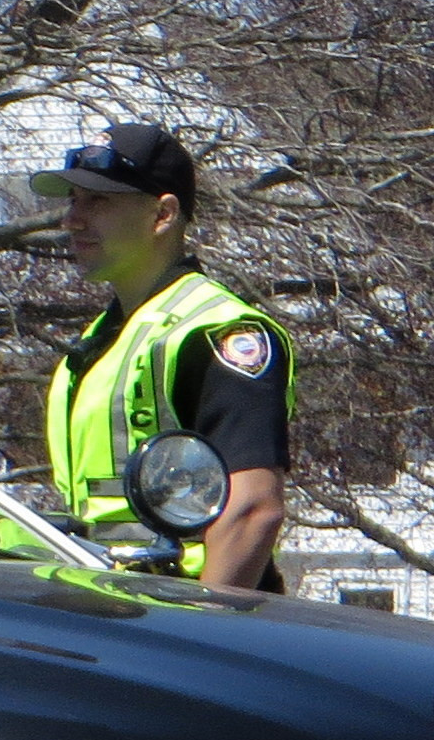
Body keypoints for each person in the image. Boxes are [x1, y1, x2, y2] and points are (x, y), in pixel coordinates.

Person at [30, 123, 291, 591]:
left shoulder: (218, 330)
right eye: (72, 199)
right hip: (114, 609)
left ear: (163, 215)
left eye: (99, 200)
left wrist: (201, 640)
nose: (72, 218)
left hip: (181, 614)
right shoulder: (102, 337)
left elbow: (253, 511)